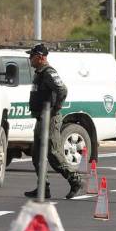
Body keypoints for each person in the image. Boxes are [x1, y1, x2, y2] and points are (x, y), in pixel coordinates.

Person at [23, 43, 85, 200]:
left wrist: (56, 107)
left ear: (41, 57)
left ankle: (75, 180)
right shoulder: (40, 72)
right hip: (41, 118)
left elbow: (62, 90)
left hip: (50, 118)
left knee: (53, 153)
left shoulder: (49, 72)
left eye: (32, 56)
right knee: (37, 155)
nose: (30, 58)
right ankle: (43, 188)